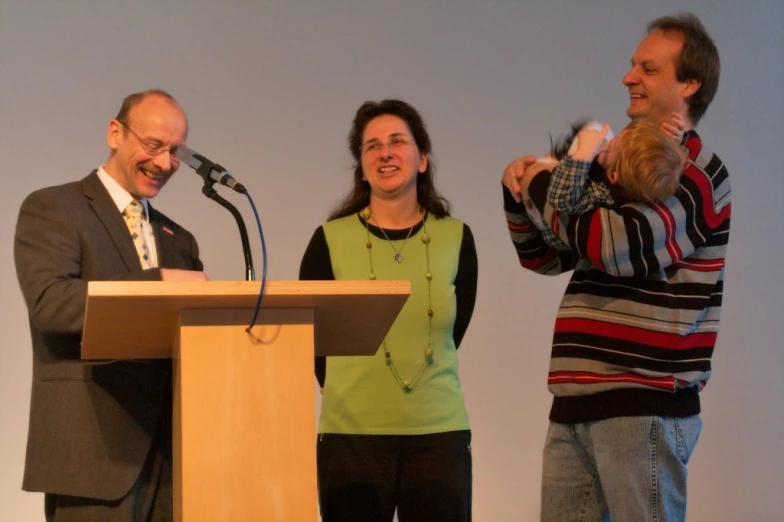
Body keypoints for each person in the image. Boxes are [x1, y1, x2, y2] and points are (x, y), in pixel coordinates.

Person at [502, 13, 730, 521]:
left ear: (689, 84)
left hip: (642, 403)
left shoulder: (693, 171)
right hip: (575, 400)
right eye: (632, 66)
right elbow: (544, 254)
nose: (629, 77)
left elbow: (614, 246)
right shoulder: (617, 164)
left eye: (647, 68)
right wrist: (517, 190)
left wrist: (539, 183)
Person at [14, 89, 207, 522]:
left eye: (175, 152)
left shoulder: (180, 239)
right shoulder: (54, 208)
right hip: (93, 454)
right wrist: (156, 284)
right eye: (154, 145)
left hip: (174, 458)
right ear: (115, 133)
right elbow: (51, 303)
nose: (164, 163)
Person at [299, 99, 478, 522]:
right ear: (362, 167)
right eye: (372, 146)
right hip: (352, 437)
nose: (385, 153)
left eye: (398, 141)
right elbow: (312, 337)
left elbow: (454, 329)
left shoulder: (456, 237)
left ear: (422, 158)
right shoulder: (329, 239)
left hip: (439, 432)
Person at [528, 116, 687, 251]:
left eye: (610, 148)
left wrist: (585, 151)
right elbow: (659, 163)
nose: (606, 145)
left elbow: (559, 199)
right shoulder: (620, 178)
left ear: (613, 176)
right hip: (565, 184)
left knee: (585, 140)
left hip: (548, 225)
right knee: (595, 130)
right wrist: (673, 140)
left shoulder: (600, 193)